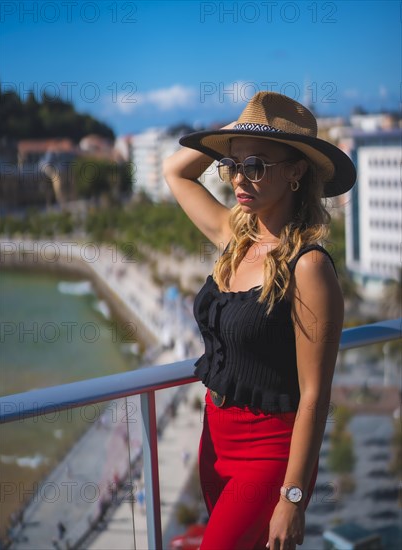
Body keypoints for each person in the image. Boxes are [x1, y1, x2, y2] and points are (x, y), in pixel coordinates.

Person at [163, 91, 356, 550]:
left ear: (296, 170)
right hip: (214, 443)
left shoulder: (308, 267)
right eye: (233, 166)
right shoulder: (236, 236)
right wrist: (238, 133)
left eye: (256, 165)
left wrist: (292, 498)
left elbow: (315, 394)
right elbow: (176, 170)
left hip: (269, 454)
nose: (238, 180)